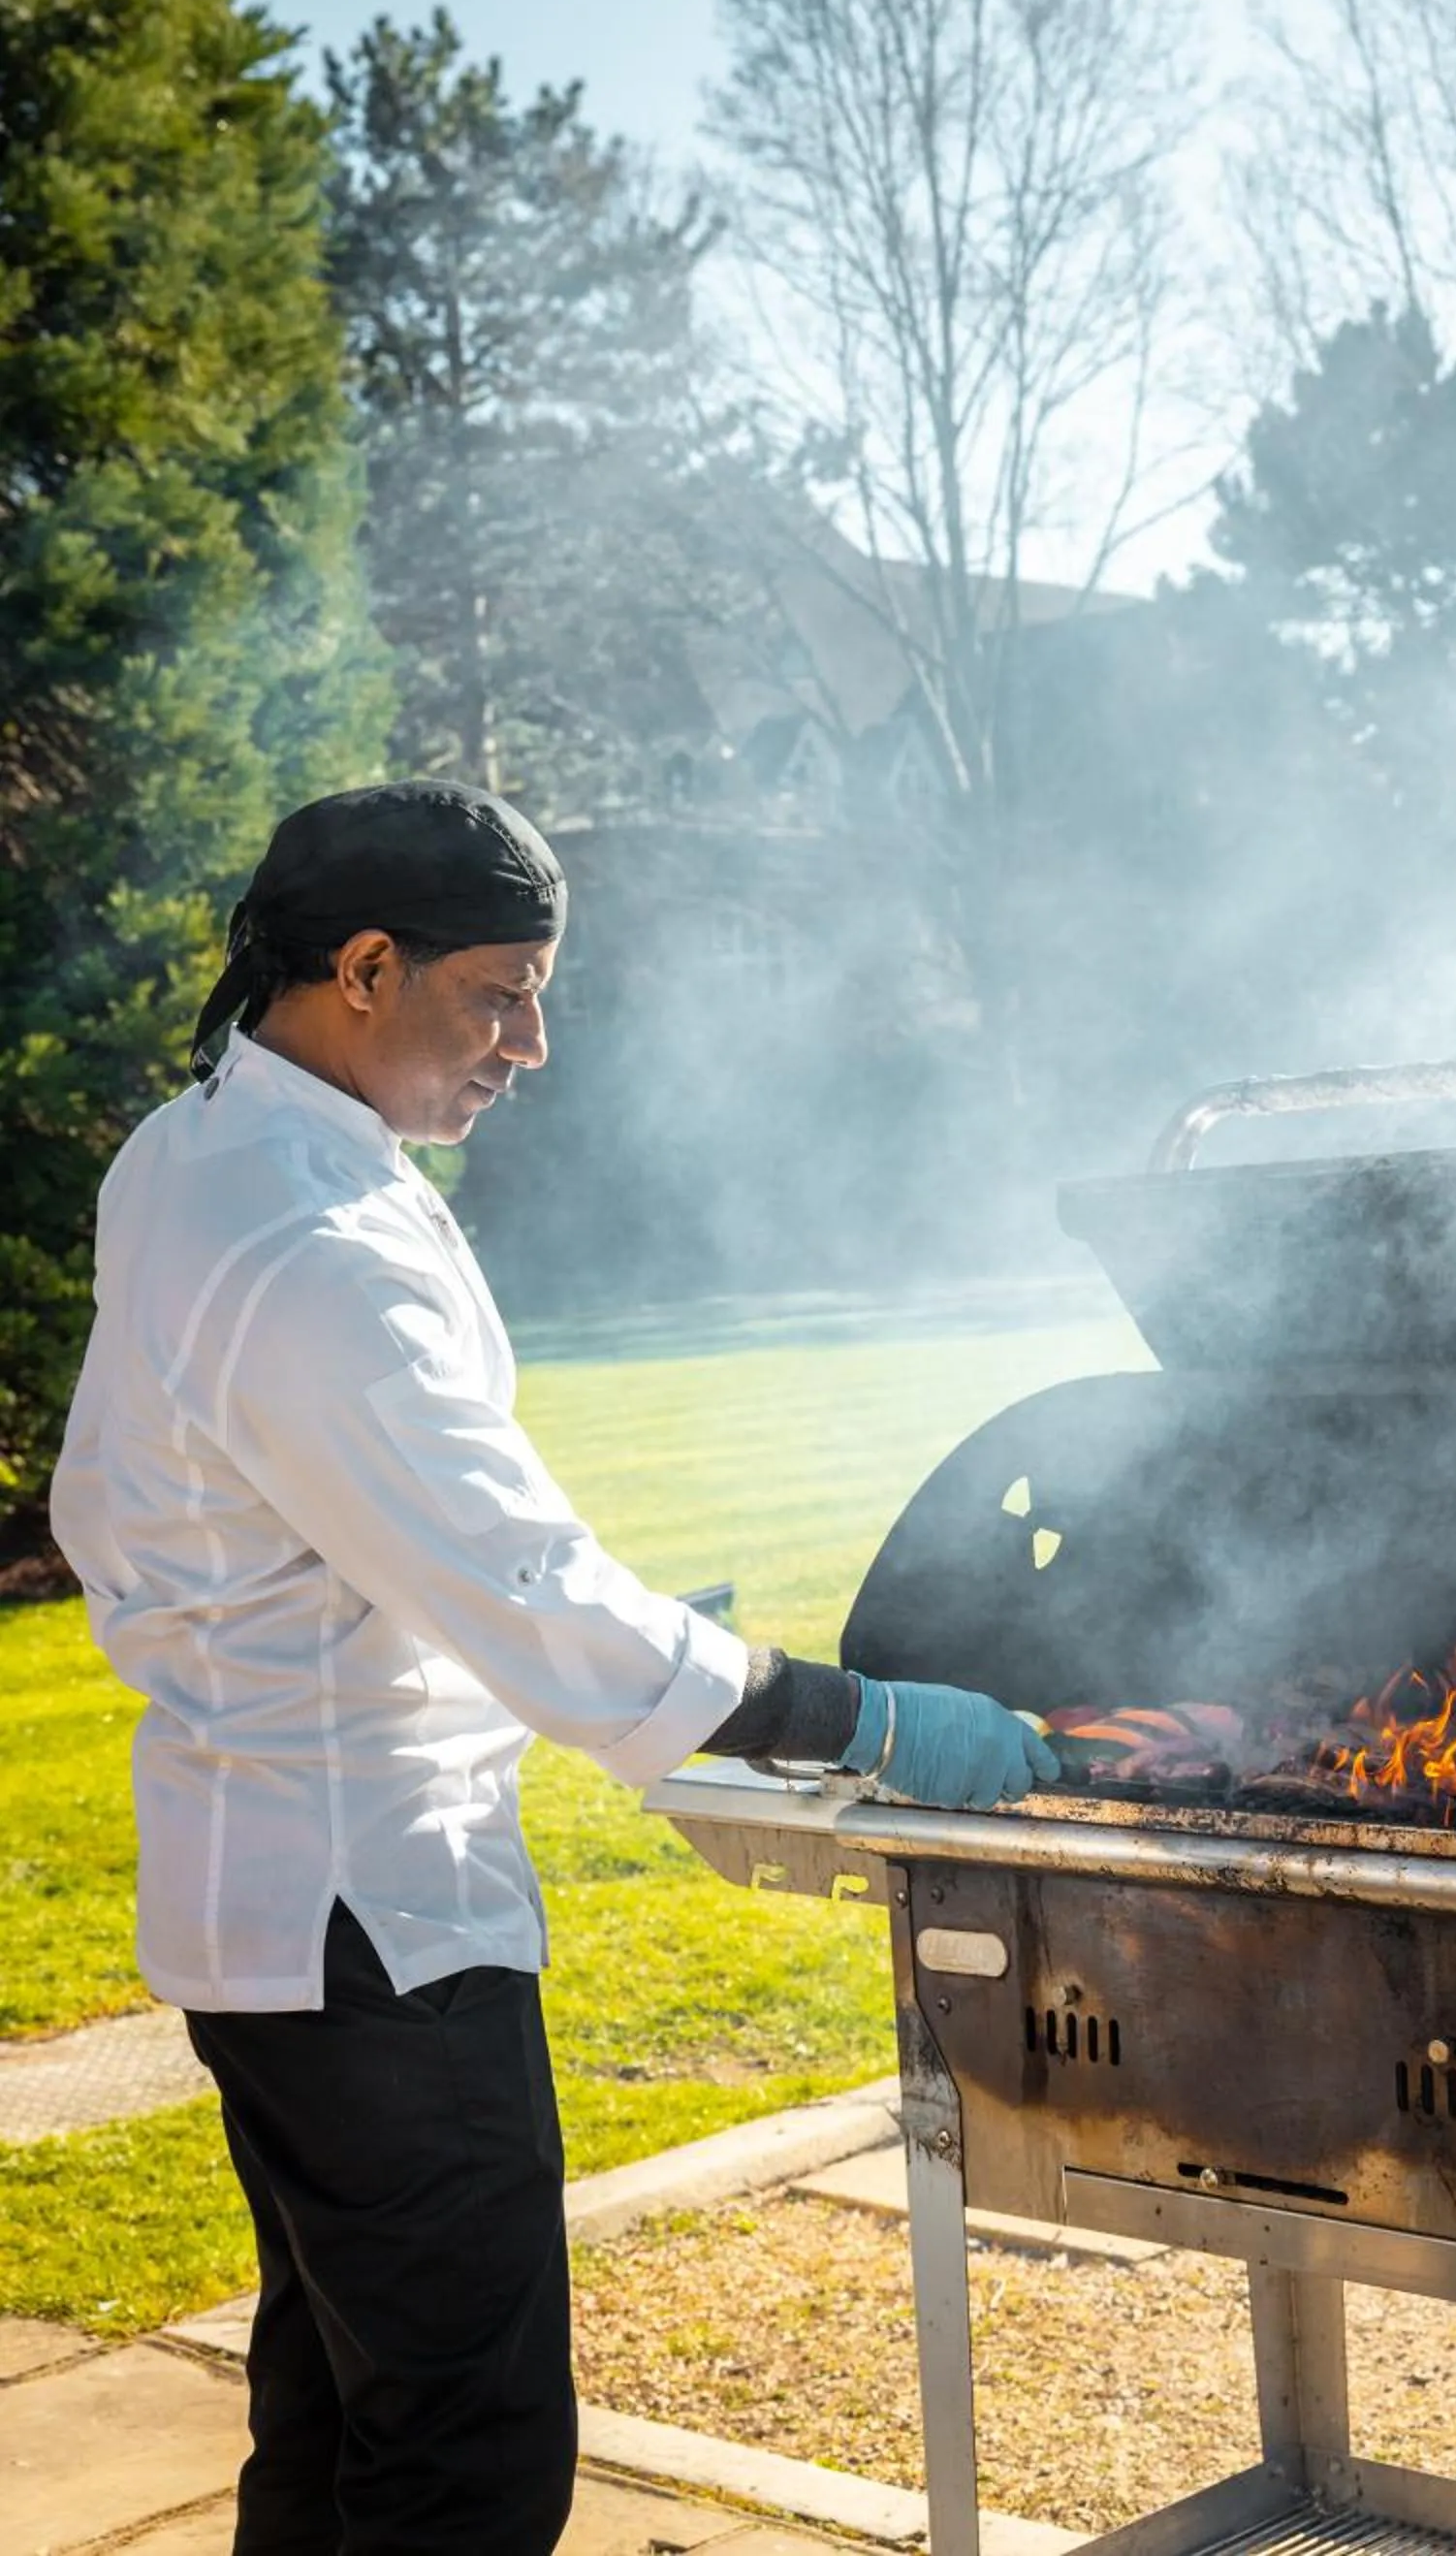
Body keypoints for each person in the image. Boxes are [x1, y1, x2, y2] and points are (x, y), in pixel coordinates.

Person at [49, 780, 1057, 2556]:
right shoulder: (315, 1249)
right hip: (376, 1933)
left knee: (335, 2415)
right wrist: (861, 1720)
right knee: (468, 2453)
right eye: (503, 991)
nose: (534, 1043)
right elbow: (531, 1592)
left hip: (261, 1895)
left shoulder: (196, 1149)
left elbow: (241, 1511)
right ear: (366, 966)